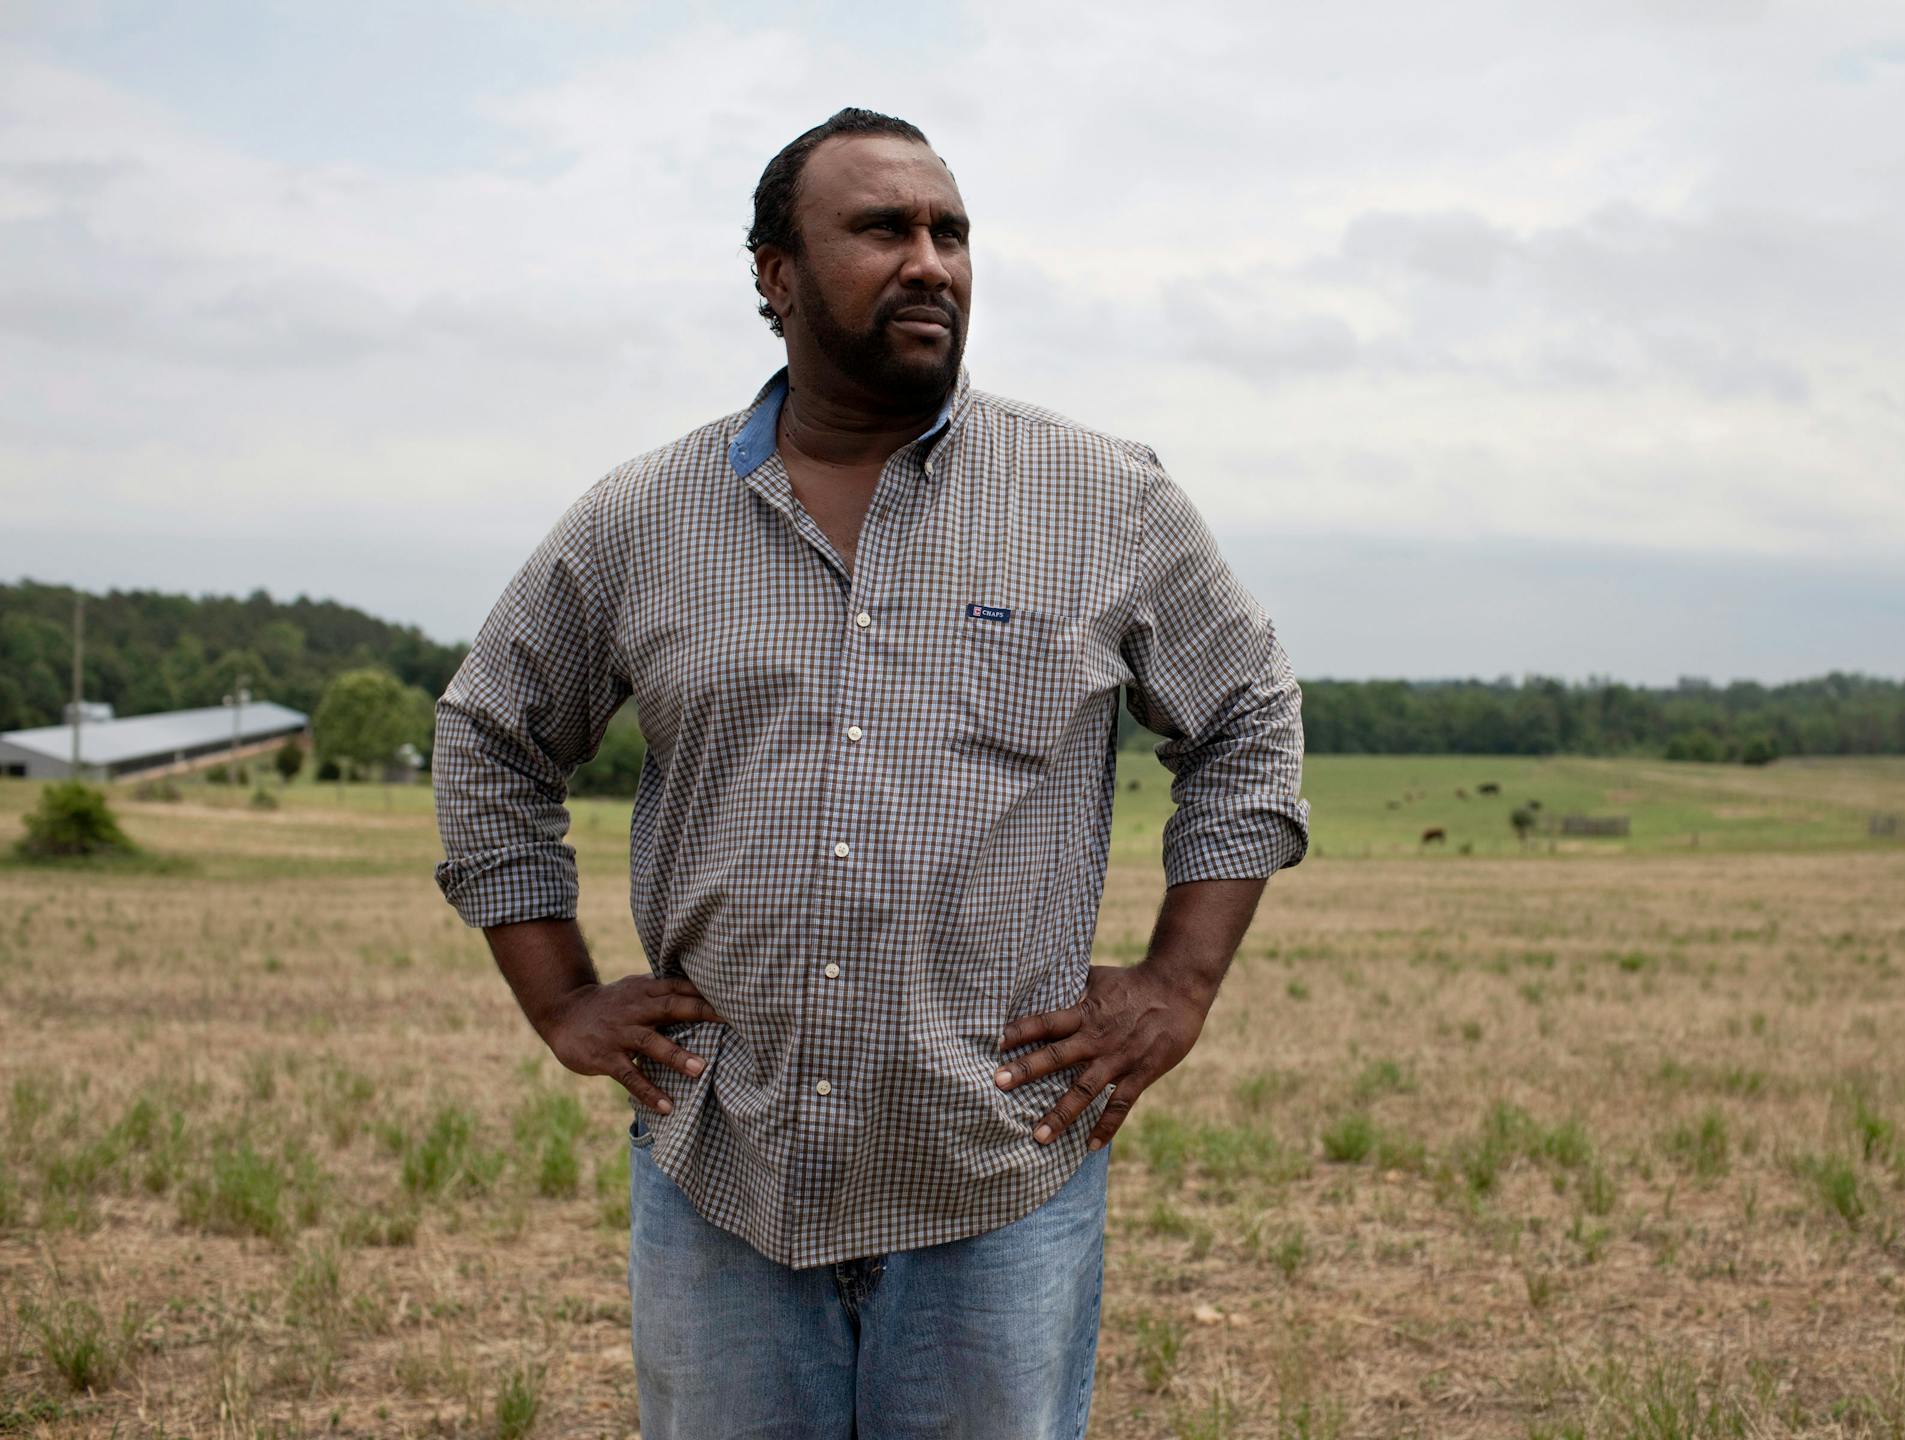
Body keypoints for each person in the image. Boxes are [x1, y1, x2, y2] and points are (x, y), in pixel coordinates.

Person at [431, 107, 1309, 1439]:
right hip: (725, 1165)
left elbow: (1247, 717)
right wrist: (559, 996)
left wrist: (1178, 983)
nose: (930, 262)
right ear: (776, 274)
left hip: (995, 1169)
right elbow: (491, 734)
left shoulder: (1102, 498)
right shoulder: (643, 519)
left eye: (950, 232)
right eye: (883, 230)